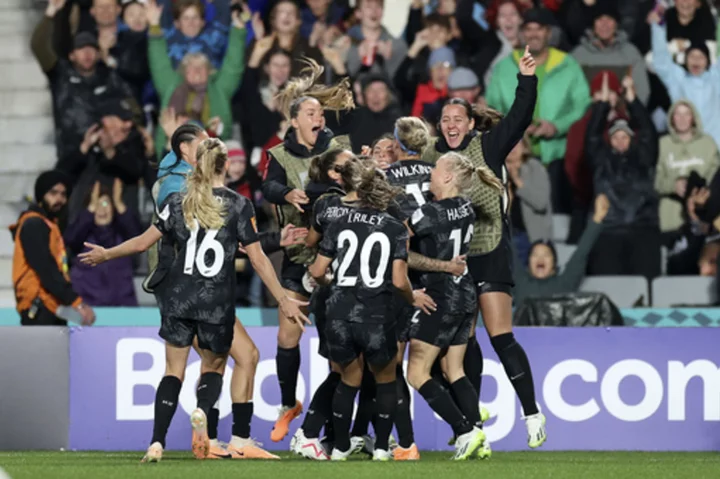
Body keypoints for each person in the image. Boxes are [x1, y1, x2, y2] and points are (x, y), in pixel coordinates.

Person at [79, 138, 310, 462]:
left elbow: (143, 243)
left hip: (177, 300)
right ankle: (208, 418)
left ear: (196, 165)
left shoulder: (177, 202)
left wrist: (107, 253)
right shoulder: (238, 205)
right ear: (225, 165)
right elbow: (258, 259)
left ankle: (156, 443)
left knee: (173, 371)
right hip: (215, 302)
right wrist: (284, 298)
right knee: (214, 367)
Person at [148, 124, 304, 459]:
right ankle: (226, 436)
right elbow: (249, 251)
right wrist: (283, 298)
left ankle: (207, 438)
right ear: (188, 152)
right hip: (209, 296)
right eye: (202, 142)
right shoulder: (193, 192)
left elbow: (234, 241)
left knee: (239, 358)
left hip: (183, 296)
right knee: (220, 363)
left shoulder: (179, 191)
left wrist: (109, 253)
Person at [421, 46, 546, 450]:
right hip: (452, 259)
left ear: (471, 123)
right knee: (460, 343)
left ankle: (531, 412)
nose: (451, 125)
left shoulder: (489, 148)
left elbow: (521, 117)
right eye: (445, 120)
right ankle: (472, 427)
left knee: (499, 335)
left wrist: (526, 78)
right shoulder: (433, 158)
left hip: (489, 250)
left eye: (458, 119)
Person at [307, 167, 428, 461]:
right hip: (375, 313)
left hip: (338, 314)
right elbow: (399, 281)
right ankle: (384, 448)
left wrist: (330, 283)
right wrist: (412, 298)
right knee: (385, 379)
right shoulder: (395, 228)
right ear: (384, 194)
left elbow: (317, 271)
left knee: (348, 378)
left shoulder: (338, 221)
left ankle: (339, 447)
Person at [261, 58, 354, 442]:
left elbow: (346, 186)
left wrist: (308, 192)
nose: (319, 117)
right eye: (312, 112)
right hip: (298, 256)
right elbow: (267, 189)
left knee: (338, 348)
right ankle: (288, 403)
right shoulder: (279, 157)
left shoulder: (338, 148)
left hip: (335, 259)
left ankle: (338, 428)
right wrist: (285, 193)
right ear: (295, 121)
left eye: (320, 112)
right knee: (287, 337)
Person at [406, 152, 499, 460]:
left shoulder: (428, 213)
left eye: (435, 169)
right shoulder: (466, 207)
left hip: (440, 296)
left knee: (417, 373)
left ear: (447, 177)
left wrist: (441, 266)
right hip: (465, 296)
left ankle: (465, 430)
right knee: (453, 368)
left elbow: (399, 251)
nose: (430, 173)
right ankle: (479, 438)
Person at [10, 170, 96, 326]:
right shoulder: (33, 224)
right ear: (41, 195)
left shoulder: (50, 225)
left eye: (63, 194)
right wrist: (75, 301)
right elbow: (46, 269)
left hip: (52, 305)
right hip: (39, 307)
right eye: (53, 193)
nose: (59, 199)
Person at [513, 194, 609, 307]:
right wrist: (503, 211)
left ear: (554, 264)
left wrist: (597, 219)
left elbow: (581, 253)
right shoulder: (520, 282)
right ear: (528, 264)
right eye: (535, 255)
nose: (540, 258)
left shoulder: (565, 283)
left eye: (546, 255)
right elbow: (507, 249)